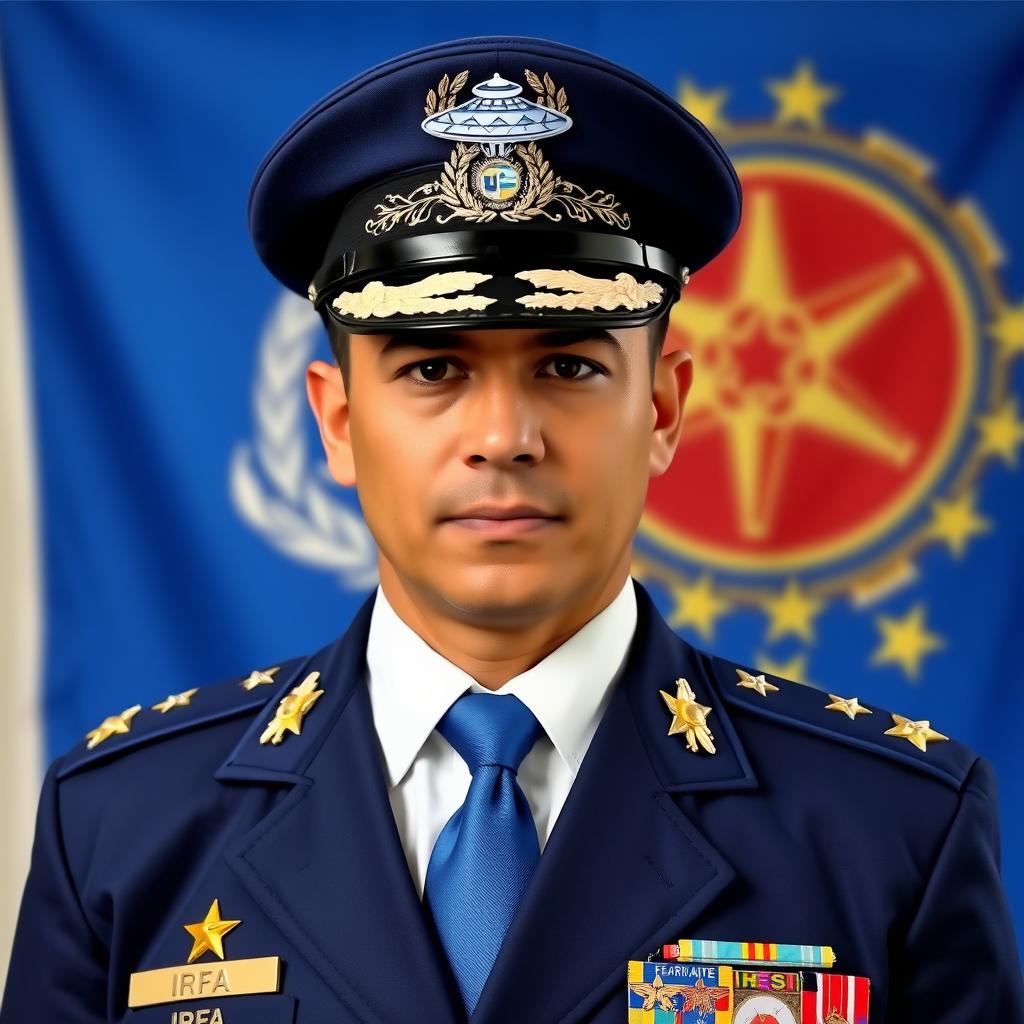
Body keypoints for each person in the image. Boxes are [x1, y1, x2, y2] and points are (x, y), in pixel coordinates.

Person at [2, 34, 1021, 1024]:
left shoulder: (890, 826)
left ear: (662, 411)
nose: (503, 436)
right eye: (432, 369)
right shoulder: (121, 824)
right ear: (338, 421)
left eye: (569, 366)